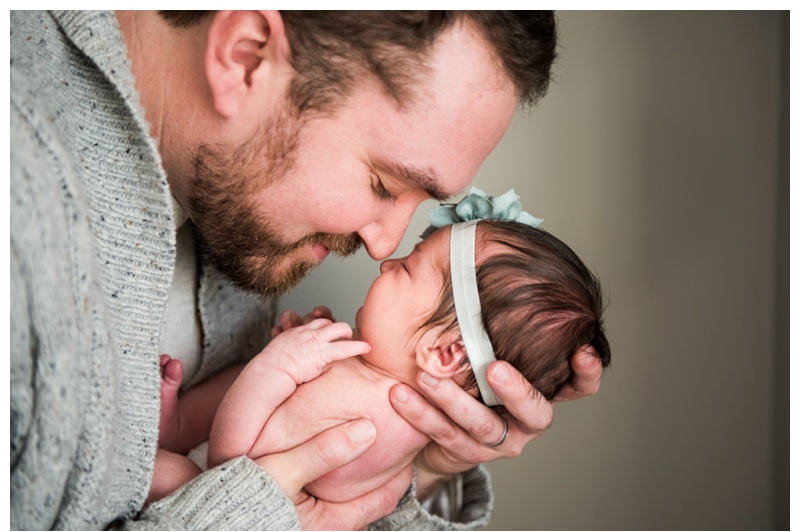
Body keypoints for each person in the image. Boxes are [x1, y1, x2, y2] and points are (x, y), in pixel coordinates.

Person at [10, 10, 605, 531]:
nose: (384, 245)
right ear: (246, 59)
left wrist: (422, 468)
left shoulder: (234, 201)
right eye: (382, 184)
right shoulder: (21, 206)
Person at [151, 190, 611, 505]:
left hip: (216, 488)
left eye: (408, 269)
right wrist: (307, 350)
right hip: (229, 457)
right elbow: (296, 411)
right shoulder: (380, 384)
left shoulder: (376, 422)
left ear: (442, 353)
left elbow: (233, 464)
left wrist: (281, 365)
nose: (387, 262)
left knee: (160, 475)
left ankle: (176, 431)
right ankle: (179, 424)